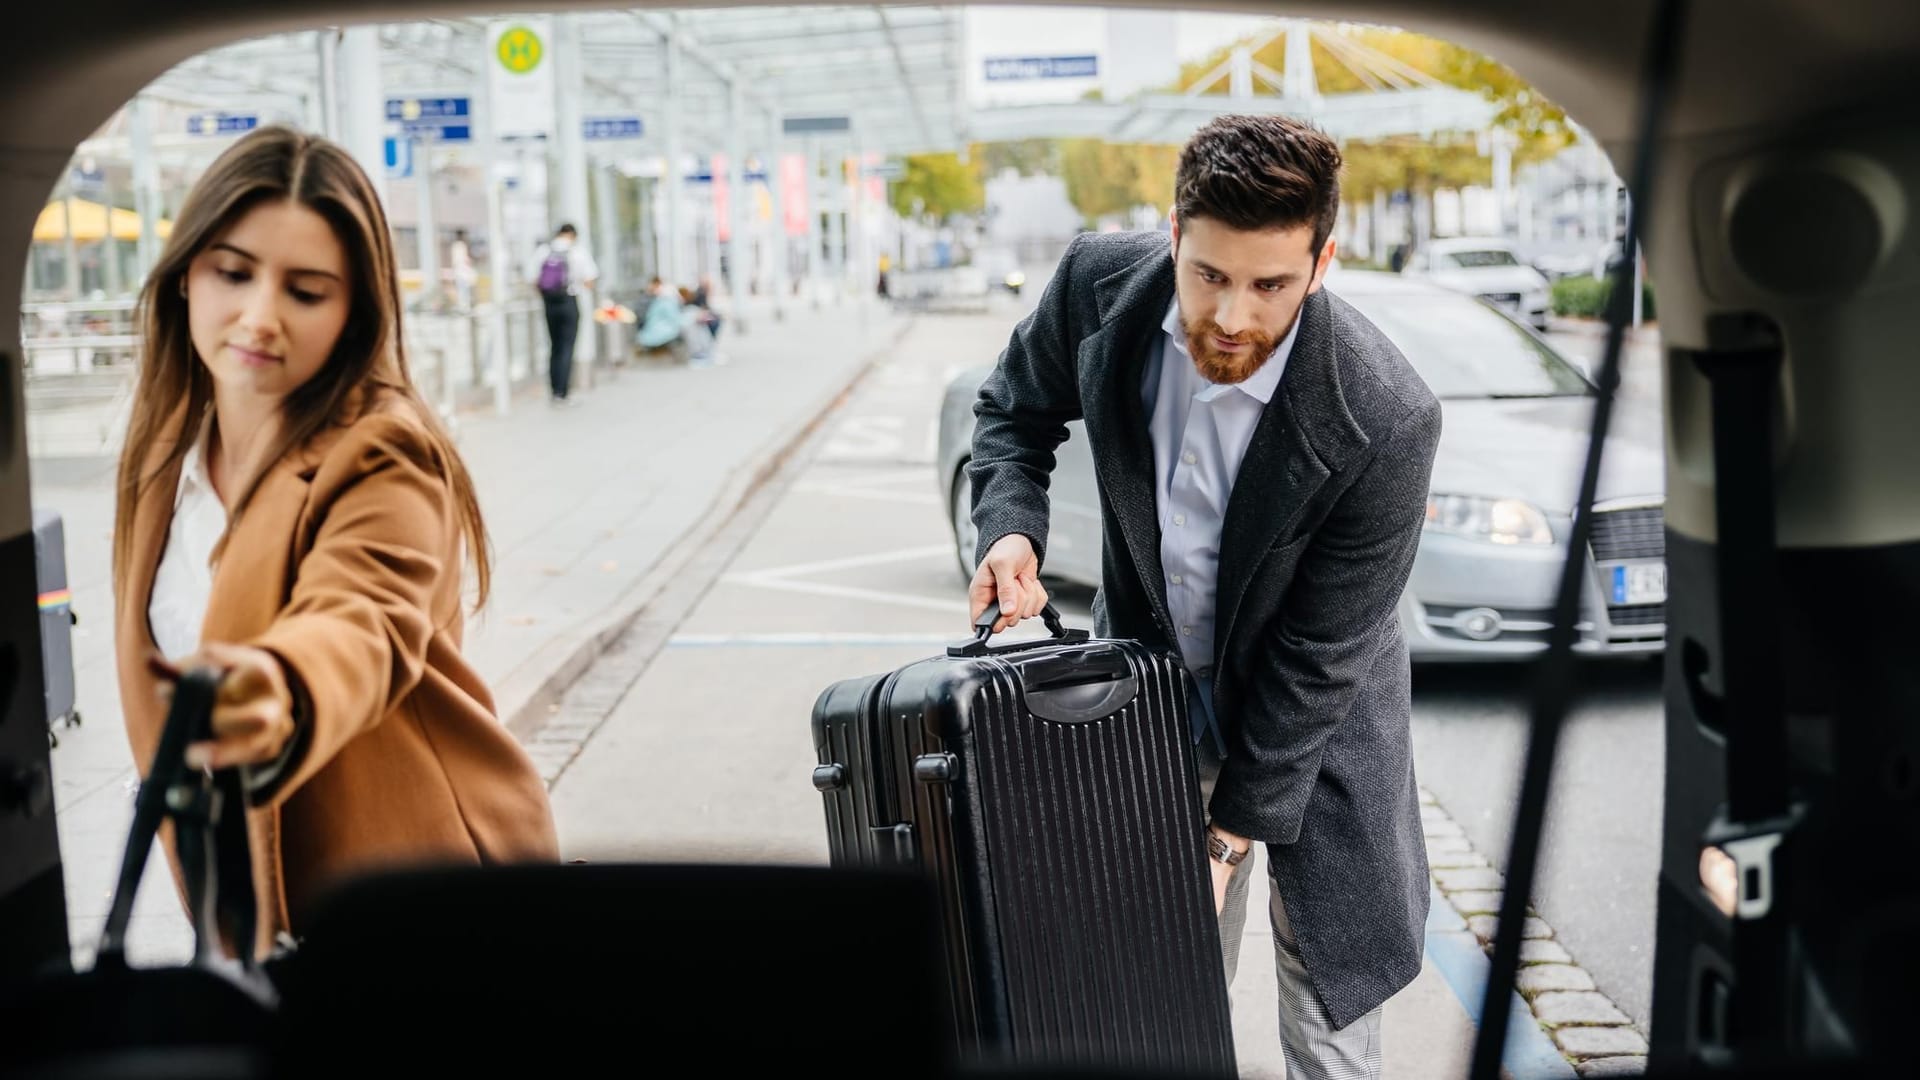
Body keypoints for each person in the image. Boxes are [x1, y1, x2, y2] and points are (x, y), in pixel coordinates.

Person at [965, 114, 1441, 1079]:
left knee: (1329, 1023)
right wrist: (1011, 528)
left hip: (1319, 733)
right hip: (1149, 709)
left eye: (1270, 285)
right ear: (1173, 235)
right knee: (1157, 1008)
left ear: (1321, 263)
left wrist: (1222, 845)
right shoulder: (1098, 285)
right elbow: (1011, 411)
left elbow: (1320, 662)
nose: (1233, 317)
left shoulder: (1386, 417)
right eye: (1209, 276)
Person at [112, 125, 560, 961]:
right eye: (233, 272)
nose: (259, 316)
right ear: (184, 278)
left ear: (356, 309)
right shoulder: (162, 458)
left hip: (425, 904)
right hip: (255, 919)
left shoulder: (384, 451)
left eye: (306, 291)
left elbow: (363, 620)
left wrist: (278, 686)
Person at [527, 223, 598, 405]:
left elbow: (532, 279)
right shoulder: (578, 252)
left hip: (549, 303)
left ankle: (554, 390)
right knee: (567, 346)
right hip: (569, 301)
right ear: (573, 235)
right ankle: (563, 393)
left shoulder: (543, 251)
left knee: (554, 346)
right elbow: (589, 281)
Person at [448, 227, 476, 311]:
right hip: (463, 271)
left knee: (462, 289)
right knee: (464, 289)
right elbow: (465, 260)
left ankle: (463, 306)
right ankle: (465, 307)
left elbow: (454, 261)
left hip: (459, 271)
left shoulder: (455, 246)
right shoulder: (461, 245)